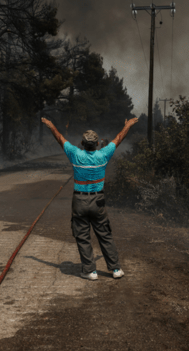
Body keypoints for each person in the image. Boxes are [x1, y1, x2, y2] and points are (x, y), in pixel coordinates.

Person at [41, 117, 139, 280]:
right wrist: (127, 125)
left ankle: (90, 271)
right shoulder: (103, 155)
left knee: (83, 236)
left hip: (79, 201)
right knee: (105, 235)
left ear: (82, 143)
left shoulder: (75, 154)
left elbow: (60, 138)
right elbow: (118, 139)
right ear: (97, 144)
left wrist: (51, 126)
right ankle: (115, 269)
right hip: (98, 201)